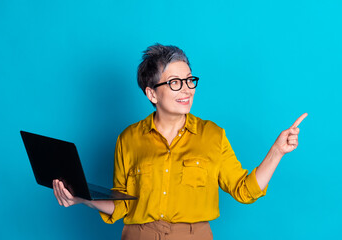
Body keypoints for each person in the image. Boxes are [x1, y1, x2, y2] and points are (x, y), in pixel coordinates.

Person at [53, 44, 307, 240]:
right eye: (175, 82)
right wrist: (81, 198)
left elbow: (245, 190)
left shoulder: (213, 135)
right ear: (152, 93)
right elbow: (121, 206)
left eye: (189, 80)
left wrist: (277, 152)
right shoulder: (128, 138)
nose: (186, 89)